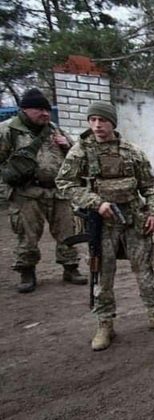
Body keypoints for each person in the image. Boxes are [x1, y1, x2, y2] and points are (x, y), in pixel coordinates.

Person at [57, 102, 154, 351]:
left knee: (144, 270)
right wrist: (95, 203)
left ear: (113, 122)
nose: (98, 125)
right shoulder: (80, 152)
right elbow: (64, 183)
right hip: (102, 224)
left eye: (103, 120)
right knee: (103, 275)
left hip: (133, 220)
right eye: (93, 120)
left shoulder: (132, 152)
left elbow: (150, 186)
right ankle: (105, 324)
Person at [0, 88, 86, 292]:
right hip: (26, 193)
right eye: (39, 109)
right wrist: (7, 190)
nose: (45, 114)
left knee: (67, 230)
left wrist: (67, 145)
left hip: (58, 191)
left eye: (47, 110)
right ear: (25, 110)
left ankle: (70, 268)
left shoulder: (54, 129)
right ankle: (27, 271)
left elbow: (76, 156)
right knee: (27, 234)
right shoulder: (8, 131)